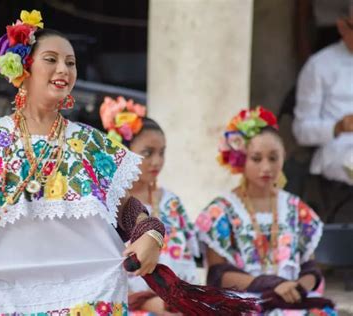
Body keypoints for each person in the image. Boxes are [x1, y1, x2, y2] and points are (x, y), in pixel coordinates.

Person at [0, 9, 164, 315]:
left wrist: (150, 233)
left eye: (71, 62)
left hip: (85, 296)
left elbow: (125, 207)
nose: (63, 69)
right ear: (23, 67)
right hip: (0, 298)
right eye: (51, 59)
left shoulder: (90, 143)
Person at [195, 107, 336, 315]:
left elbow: (310, 267)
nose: (266, 167)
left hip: (290, 299)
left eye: (273, 158)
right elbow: (217, 273)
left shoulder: (296, 209)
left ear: (283, 157)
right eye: (256, 158)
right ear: (241, 159)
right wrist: (269, 284)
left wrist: (296, 289)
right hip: (244, 300)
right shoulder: (220, 211)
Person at [100, 96, 200, 315]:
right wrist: (145, 302)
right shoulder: (108, 203)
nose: (157, 161)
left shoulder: (170, 201)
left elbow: (190, 261)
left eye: (162, 153)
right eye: (148, 153)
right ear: (123, 151)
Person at [293, 5, 353, 223]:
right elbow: (301, 131)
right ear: (342, 26)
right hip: (337, 163)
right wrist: (337, 127)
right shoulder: (320, 66)